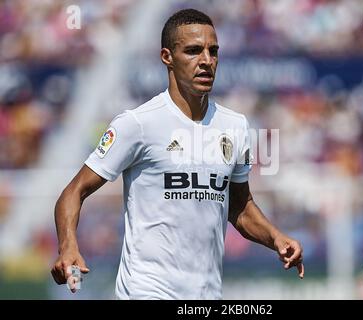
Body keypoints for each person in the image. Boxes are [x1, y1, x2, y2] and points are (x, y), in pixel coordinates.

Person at [51, 8, 304, 299]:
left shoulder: (235, 126)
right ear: (167, 57)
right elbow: (74, 191)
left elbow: (240, 207)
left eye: (213, 51)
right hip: (146, 292)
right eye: (194, 51)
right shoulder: (138, 123)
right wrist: (68, 245)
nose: (207, 61)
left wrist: (276, 237)